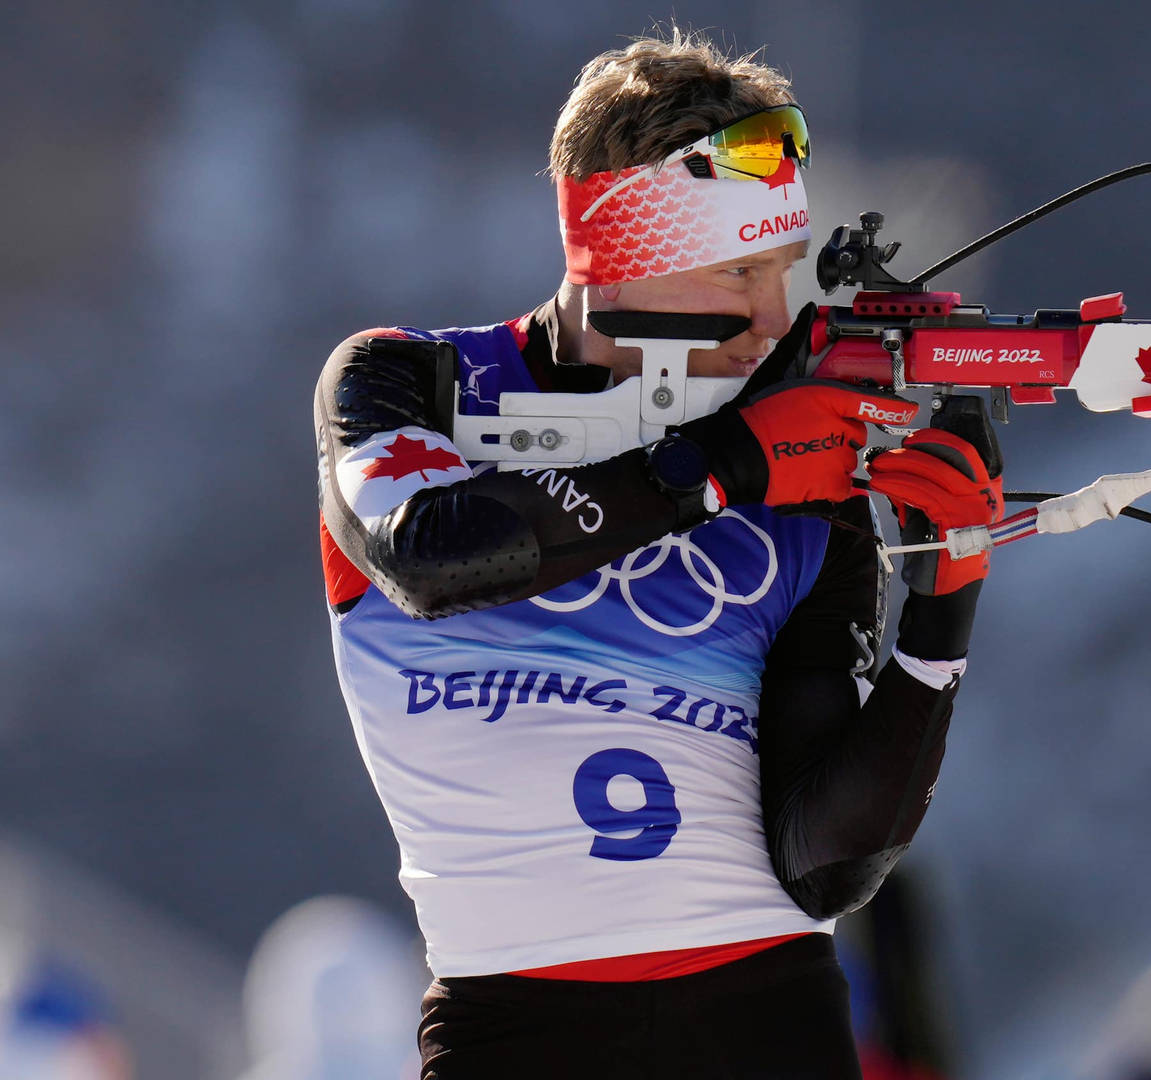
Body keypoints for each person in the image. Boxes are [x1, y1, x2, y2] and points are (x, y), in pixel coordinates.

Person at [312, 30, 1000, 1079]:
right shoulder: (411, 385)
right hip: (514, 1031)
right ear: (625, 251)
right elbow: (434, 555)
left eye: (786, 272)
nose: (774, 320)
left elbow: (825, 863)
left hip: (773, 1021)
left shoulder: (801, 459)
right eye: (739, 274)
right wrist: (719, 469)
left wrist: (942, 612)